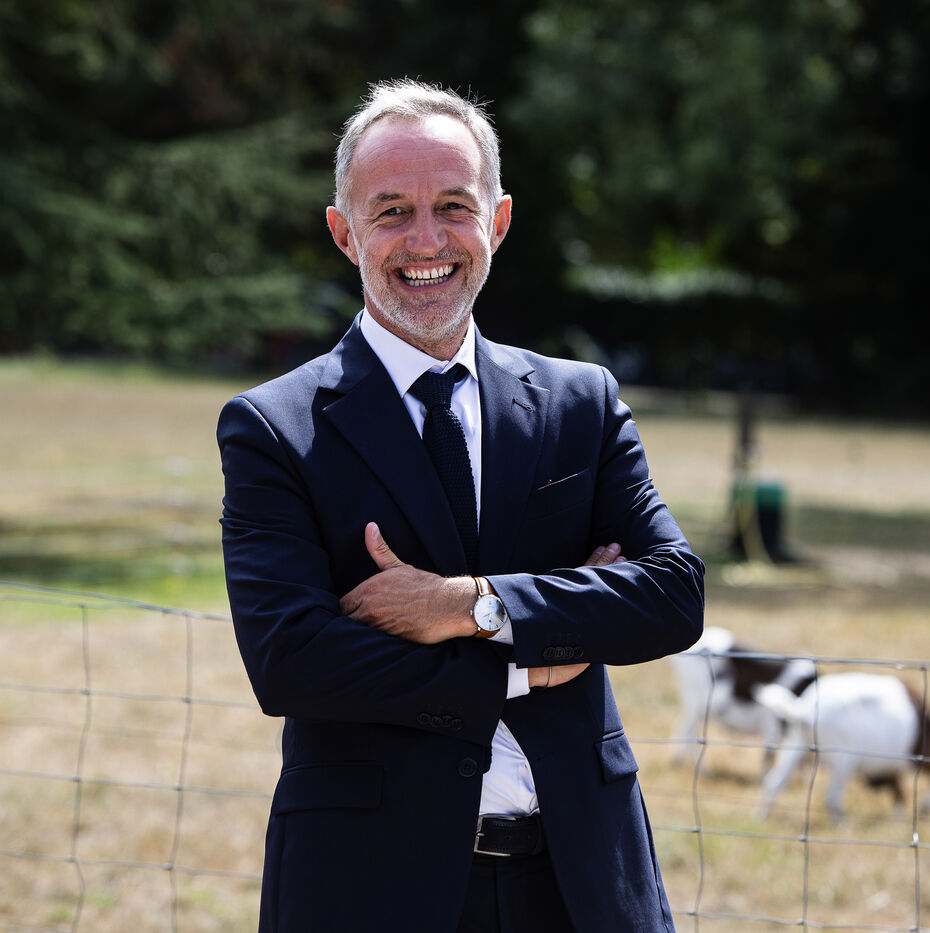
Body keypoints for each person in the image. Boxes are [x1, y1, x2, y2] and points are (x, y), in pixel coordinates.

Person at [217, 79, 705, 932]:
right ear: (344, 232)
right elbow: (292, 660)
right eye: (392, 212)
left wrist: (468, 606)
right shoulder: (275, 427)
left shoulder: (579, 403)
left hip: (584, 884)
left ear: (499, 221)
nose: (426, 240)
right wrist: (533, 658)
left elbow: (671, 595)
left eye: (453, 206)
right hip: (370, 889)